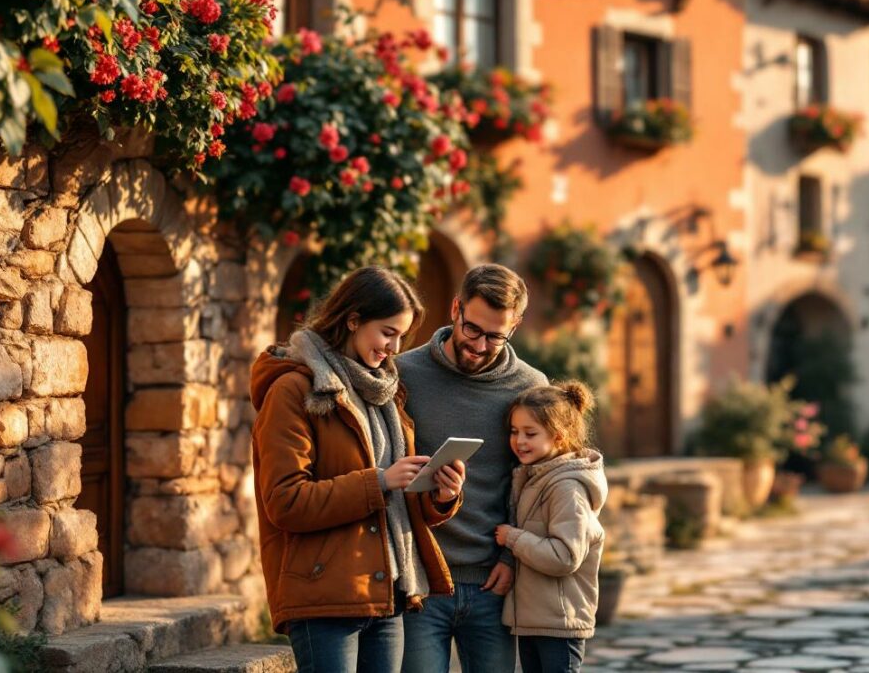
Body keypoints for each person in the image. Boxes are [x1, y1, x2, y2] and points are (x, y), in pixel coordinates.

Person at [249, 265, 467, 673]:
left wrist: (441, 495)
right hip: (324, 598)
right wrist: (380, 481)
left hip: (389, 596)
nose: (395, 347)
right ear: (352, 320)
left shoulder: (385, 394)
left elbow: (396, 504)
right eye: (388, 332)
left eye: (401, 336)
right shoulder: (293, 391)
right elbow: (285, 500)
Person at [398, 264, 548, 673]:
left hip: (492, 582)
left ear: (514, 327)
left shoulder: (530, 386)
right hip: (420, 580)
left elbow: (536, 487)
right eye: (473, 330)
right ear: (455, 310)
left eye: (496, 336)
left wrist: (511, 560)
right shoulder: (403, 373)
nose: (480, 346)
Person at [495, 381, 607, 673]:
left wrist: (513, 538)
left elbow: (565, 556)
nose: (519, 441)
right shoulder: (534, 478)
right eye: (514, 431)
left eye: (530, 433)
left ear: (558, 437)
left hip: (561, 623)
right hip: (534, 621)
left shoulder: (567, 488)